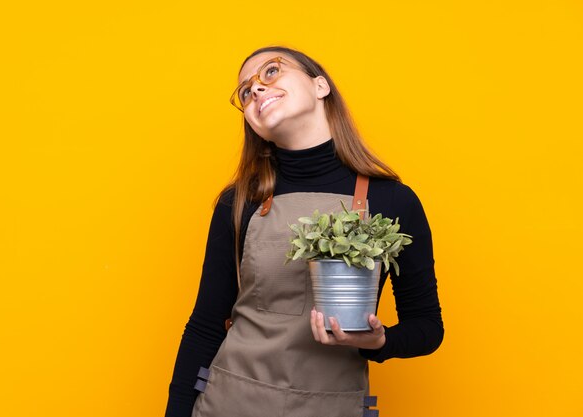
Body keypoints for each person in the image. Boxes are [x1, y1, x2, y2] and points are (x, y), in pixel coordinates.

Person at [164, 45, 444, 417]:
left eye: (271, 72)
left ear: (320, 86)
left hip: (332, 407)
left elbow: (427, 326)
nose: (257, 90)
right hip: (229, 403)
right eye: (246, 92)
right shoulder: (239, 203)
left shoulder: (393, 201)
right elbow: (204, 325)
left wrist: (380, 341)